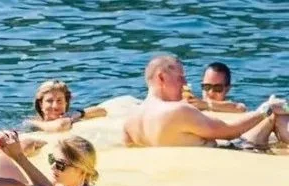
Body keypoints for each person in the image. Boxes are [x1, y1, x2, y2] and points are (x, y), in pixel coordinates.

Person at [123, 54, 287, 148]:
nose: (185, 84)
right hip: (230, 158)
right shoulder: (178, 112)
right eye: (180, 78)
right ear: (161, 77)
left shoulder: (130, 121)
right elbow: (230, 132)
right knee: (275, 114)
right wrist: (266, 109)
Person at [28, 80, 108, 132]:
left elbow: (102, 111)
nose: (55, 106)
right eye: (49, 101)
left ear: (66, 102)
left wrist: (78, 113)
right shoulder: (31, 123)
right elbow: (60, 126)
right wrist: (71, 118)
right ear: (41, 104)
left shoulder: (70, 113)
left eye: (59, 100)